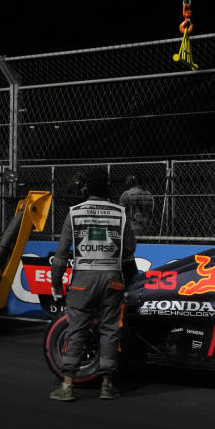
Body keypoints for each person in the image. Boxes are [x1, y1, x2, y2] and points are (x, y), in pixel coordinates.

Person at [50, 167, 136, 402]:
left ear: (86, 188)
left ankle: (67, 387)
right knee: (110, 331)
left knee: (76, 330)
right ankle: (107, 385)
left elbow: (60, 255)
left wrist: (55, 282)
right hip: (112, 280)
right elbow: (130, 249)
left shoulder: (74, 213)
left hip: (82, 282)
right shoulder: (121, 213)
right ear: (107, 188)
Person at [119, 174, 154, 238]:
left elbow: (121, 211)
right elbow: (151, 211)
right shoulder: (148, 194)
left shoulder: (126, 194)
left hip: (132, 225)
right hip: (146, 225)